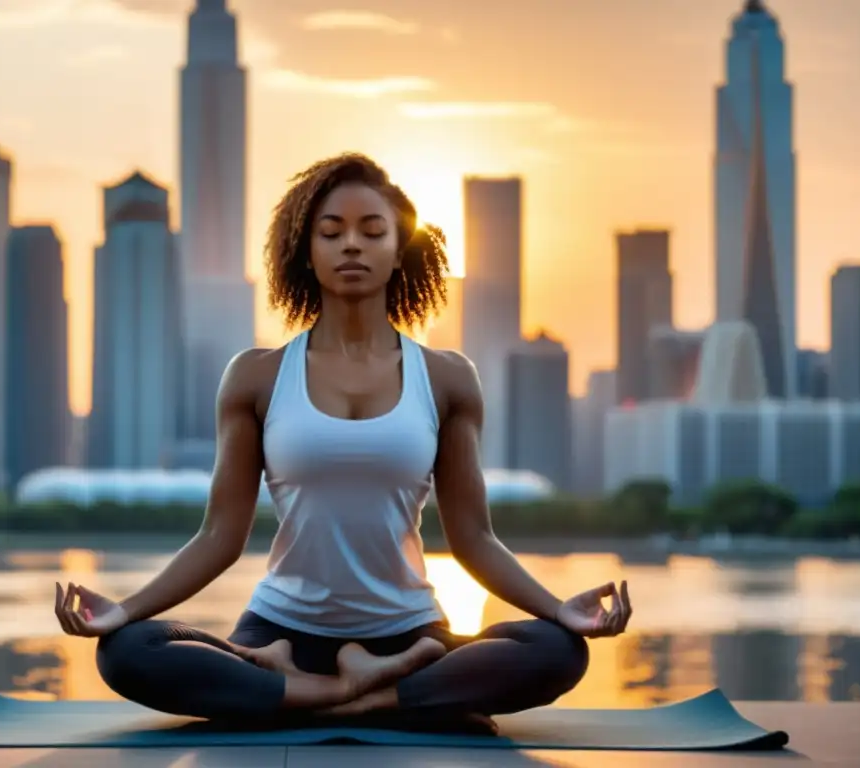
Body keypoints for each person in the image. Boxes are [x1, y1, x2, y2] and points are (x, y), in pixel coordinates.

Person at [54, 152, 633, 728]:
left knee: (558, 650)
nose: (351, 245)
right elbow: (217, 537)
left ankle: (314, 694)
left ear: (399, 249)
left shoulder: (447, 377)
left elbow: (475, 538)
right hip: (279, 632)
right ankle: (381, 695)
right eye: (331, 233)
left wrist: (560, 610)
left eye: (372, 231)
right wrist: (124, 610)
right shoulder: (256, 375)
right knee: (127, 652)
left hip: (407, 633)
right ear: (305, 253)